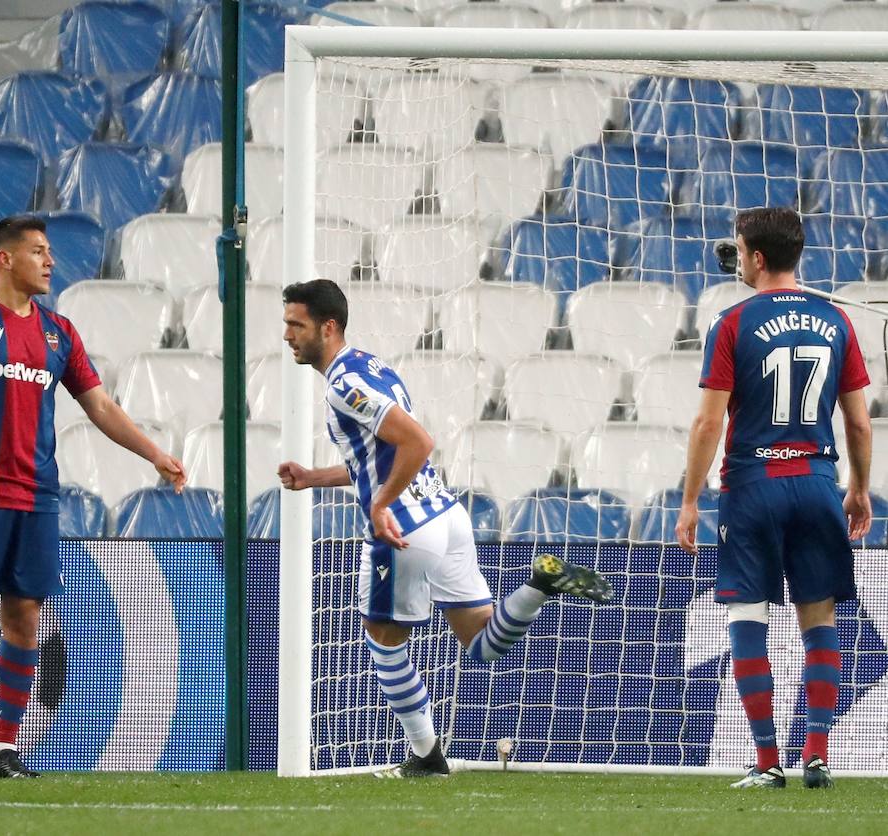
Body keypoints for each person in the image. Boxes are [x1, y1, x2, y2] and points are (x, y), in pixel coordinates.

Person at [275, 279, 612, 778]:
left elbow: (418, 443)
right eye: (286, 324)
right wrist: (314, 477)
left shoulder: (343, 387)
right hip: (446, 516)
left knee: (383, 640)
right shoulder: (373, 367)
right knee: (482, 643)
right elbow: (382, 459)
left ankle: (427, 757)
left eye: (295, 324)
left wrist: (380, 505)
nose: (287, 335)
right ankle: (540, 584)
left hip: (406, 530)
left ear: (328, 327)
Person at [0, 214, 186, 779]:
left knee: (24, 619)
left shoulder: (58, 332)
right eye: (39, 251)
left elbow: (101, 407)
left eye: (49, 251)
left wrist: (154, 454)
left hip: (38, 495)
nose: (50, 261)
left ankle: (2, 751)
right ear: (6, 258)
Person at [677, 207, 872, 790]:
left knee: (746, 620)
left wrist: (689, 501)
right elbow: (860, 424)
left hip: (753, 485)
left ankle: (767, 763)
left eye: (738, 250)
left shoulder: (731, 322)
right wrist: (859, 488)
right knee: (820, 619)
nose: (734, 259)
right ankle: (817, 754)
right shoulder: (836, 320)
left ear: (758, 258)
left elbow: (707, 425)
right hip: (817, 482)